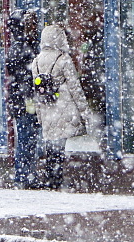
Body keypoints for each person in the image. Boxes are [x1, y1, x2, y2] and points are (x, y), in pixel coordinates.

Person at [31, 23, 94, 190]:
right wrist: (84, 111)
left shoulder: (36, 62)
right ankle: (56, 179)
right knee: (59, 146)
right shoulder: (63, 59)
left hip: (46, 108)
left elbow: (37, 91)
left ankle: (50, 178)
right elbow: (75, 88)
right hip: (63, 107)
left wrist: (39, 115)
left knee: (51, 145)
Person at [7, 10, 40, 187]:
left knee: (29, 138)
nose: (34, 28)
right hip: (25, 101)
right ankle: (24, 176)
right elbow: (23, 77)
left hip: (26, 100)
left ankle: (26, 175)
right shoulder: (21, 48)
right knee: (27, 138)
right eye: (30, 24)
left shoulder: (26, 46)